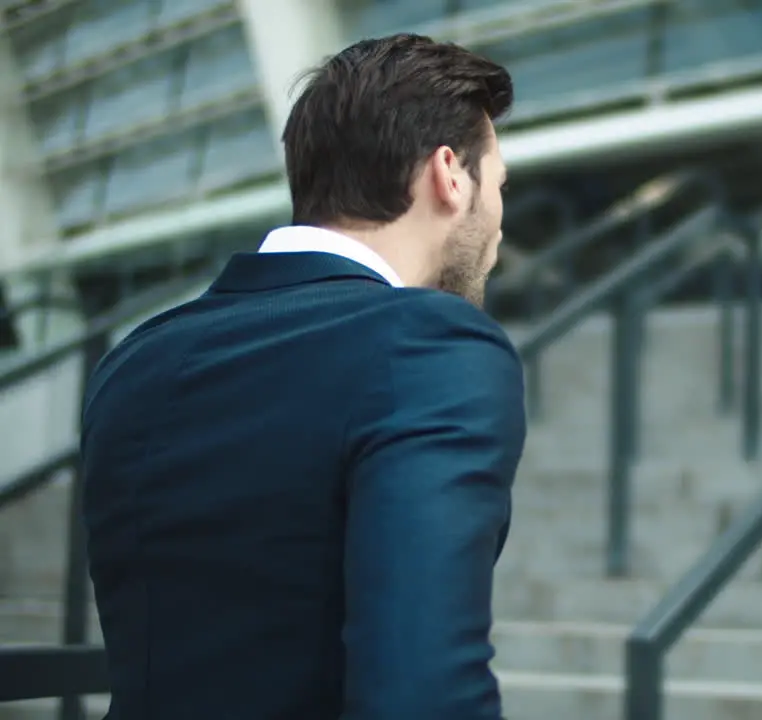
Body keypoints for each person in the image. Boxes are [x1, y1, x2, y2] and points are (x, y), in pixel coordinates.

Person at [79, 34, 525, 719]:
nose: (497, 227)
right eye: (497, 185)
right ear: (449, 175)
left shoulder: (136, 360)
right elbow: (422, 694)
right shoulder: (433, 344)